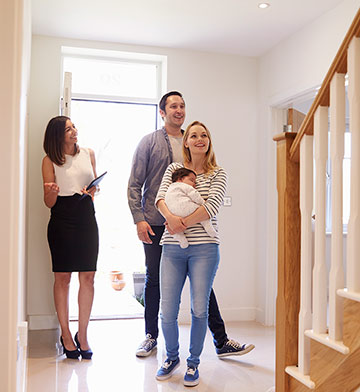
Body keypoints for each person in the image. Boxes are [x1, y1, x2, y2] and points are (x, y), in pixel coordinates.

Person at [127, 91, 254, 359]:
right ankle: (151, 337)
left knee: (203, 287)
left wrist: (185, 220)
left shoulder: (193, 140)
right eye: (173, 106)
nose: (179, 110)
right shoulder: (149, 142)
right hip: (157, 222)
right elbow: (136, 184)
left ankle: (220, 341)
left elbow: (210, 201)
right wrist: (139, 218)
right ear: (162, 112)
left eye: (182, 105)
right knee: (154, 281)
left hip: (195, 229)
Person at [42, 116, 98, 360]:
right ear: (57, 136)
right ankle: (65, 334)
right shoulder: (49, 160)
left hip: (86, 216)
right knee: (62, 277)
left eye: (74, 126)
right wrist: (51, 192)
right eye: (68, 129)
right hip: (61, 218)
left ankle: (82, 334)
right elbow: (48, 203)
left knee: (88, 277)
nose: (74, 131)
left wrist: (93, 190)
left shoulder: (88, 153)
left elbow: (94, 187)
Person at [164, 167, 216, 248]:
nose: (194, 184)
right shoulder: (184, 186)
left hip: (173, 213)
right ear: (180, 179)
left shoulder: (169, 188)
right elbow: (194, 195)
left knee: (175, 232)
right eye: (192, 180)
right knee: (202, 211)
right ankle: (209, 228)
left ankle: (182, 240)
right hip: (187, 208)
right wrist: (202, 202)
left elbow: (161, 200)